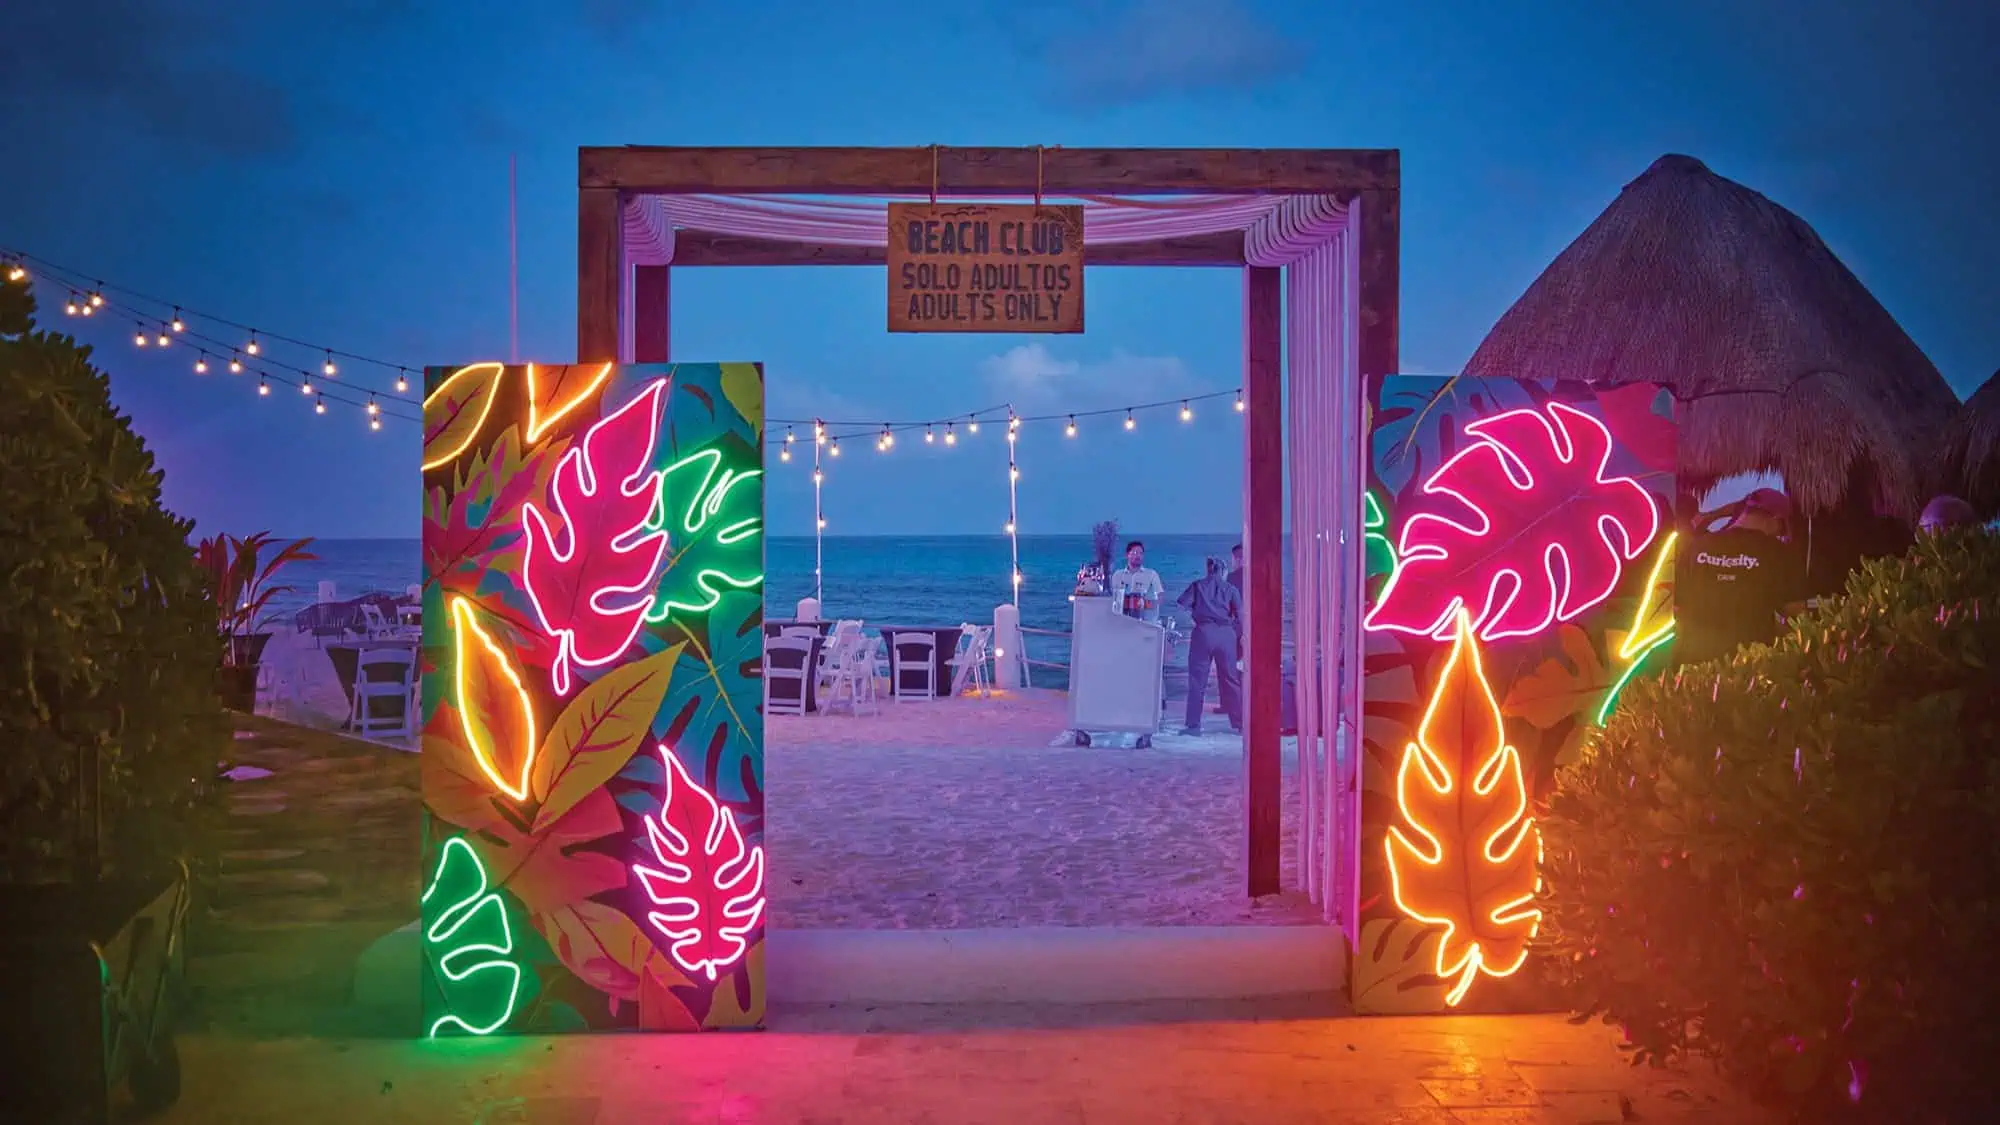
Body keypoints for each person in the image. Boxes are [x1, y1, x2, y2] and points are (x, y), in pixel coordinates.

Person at [1675, 488, 1807, 665]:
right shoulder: (1778, 553)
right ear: (1776, 520)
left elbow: (1678, 608)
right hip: (1749, 667)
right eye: (1781, 530)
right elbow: (1796, 613)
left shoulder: (1695, 547)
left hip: (1694, 666)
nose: (1779, 535)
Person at [1177, 556, 1243, 735]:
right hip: (1226, 635)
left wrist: (1197, 612)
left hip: (1203, 633)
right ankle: (1240, 724)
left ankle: (1193, 726)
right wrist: (1237, 635)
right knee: (1231, 679)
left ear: (1208, 569)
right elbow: (1240, 616)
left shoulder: (1197, 585)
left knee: (1197, 681)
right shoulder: (1230, 589)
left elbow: (1182, 605)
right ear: (1223, 571)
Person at [1107, 540, 1163, 619]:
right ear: (1127, 555)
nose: (1138, 556)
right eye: (1135, 553)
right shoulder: (1117, 575)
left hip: (1146, 622)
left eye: (1141, 553)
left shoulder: (1151, 574)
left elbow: (1160, 598)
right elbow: (1112, 598)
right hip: (1122, 620)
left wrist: (1145, 604)